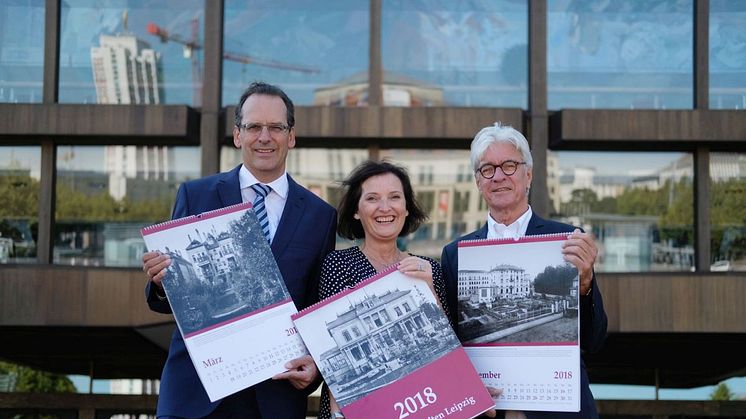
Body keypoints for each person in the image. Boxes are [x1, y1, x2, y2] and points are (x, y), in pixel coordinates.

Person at [142, 82, 337, 418]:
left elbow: (315, 307)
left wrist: (316, 365)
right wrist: (162, 282)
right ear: (237, 135)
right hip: (195, 393)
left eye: (276, 127)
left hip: (274, 395)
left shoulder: (320, 216)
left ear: (291, 136)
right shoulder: (196, 195)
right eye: (254, 127)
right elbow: (165, 298)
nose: (265, 137)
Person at [440, 122, 608, 419]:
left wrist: (585, 284)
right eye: (487, 169)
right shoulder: (454, 254)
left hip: (559, 411)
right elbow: (453, 345)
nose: (499, 176)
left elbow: (595, 341)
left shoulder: (568, 240)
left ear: (528, 174)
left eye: (509, 165)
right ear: (478, 182)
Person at [315, 160, 448, 419]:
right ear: (356, 210)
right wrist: (337, 415)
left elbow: (448, 347)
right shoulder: (337, 265)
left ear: (406, 208)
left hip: (423, 405)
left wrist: (429, 289)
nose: (385, 208)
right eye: (373, 198)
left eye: (395, 197)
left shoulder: (428, 268)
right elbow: (323, 343)